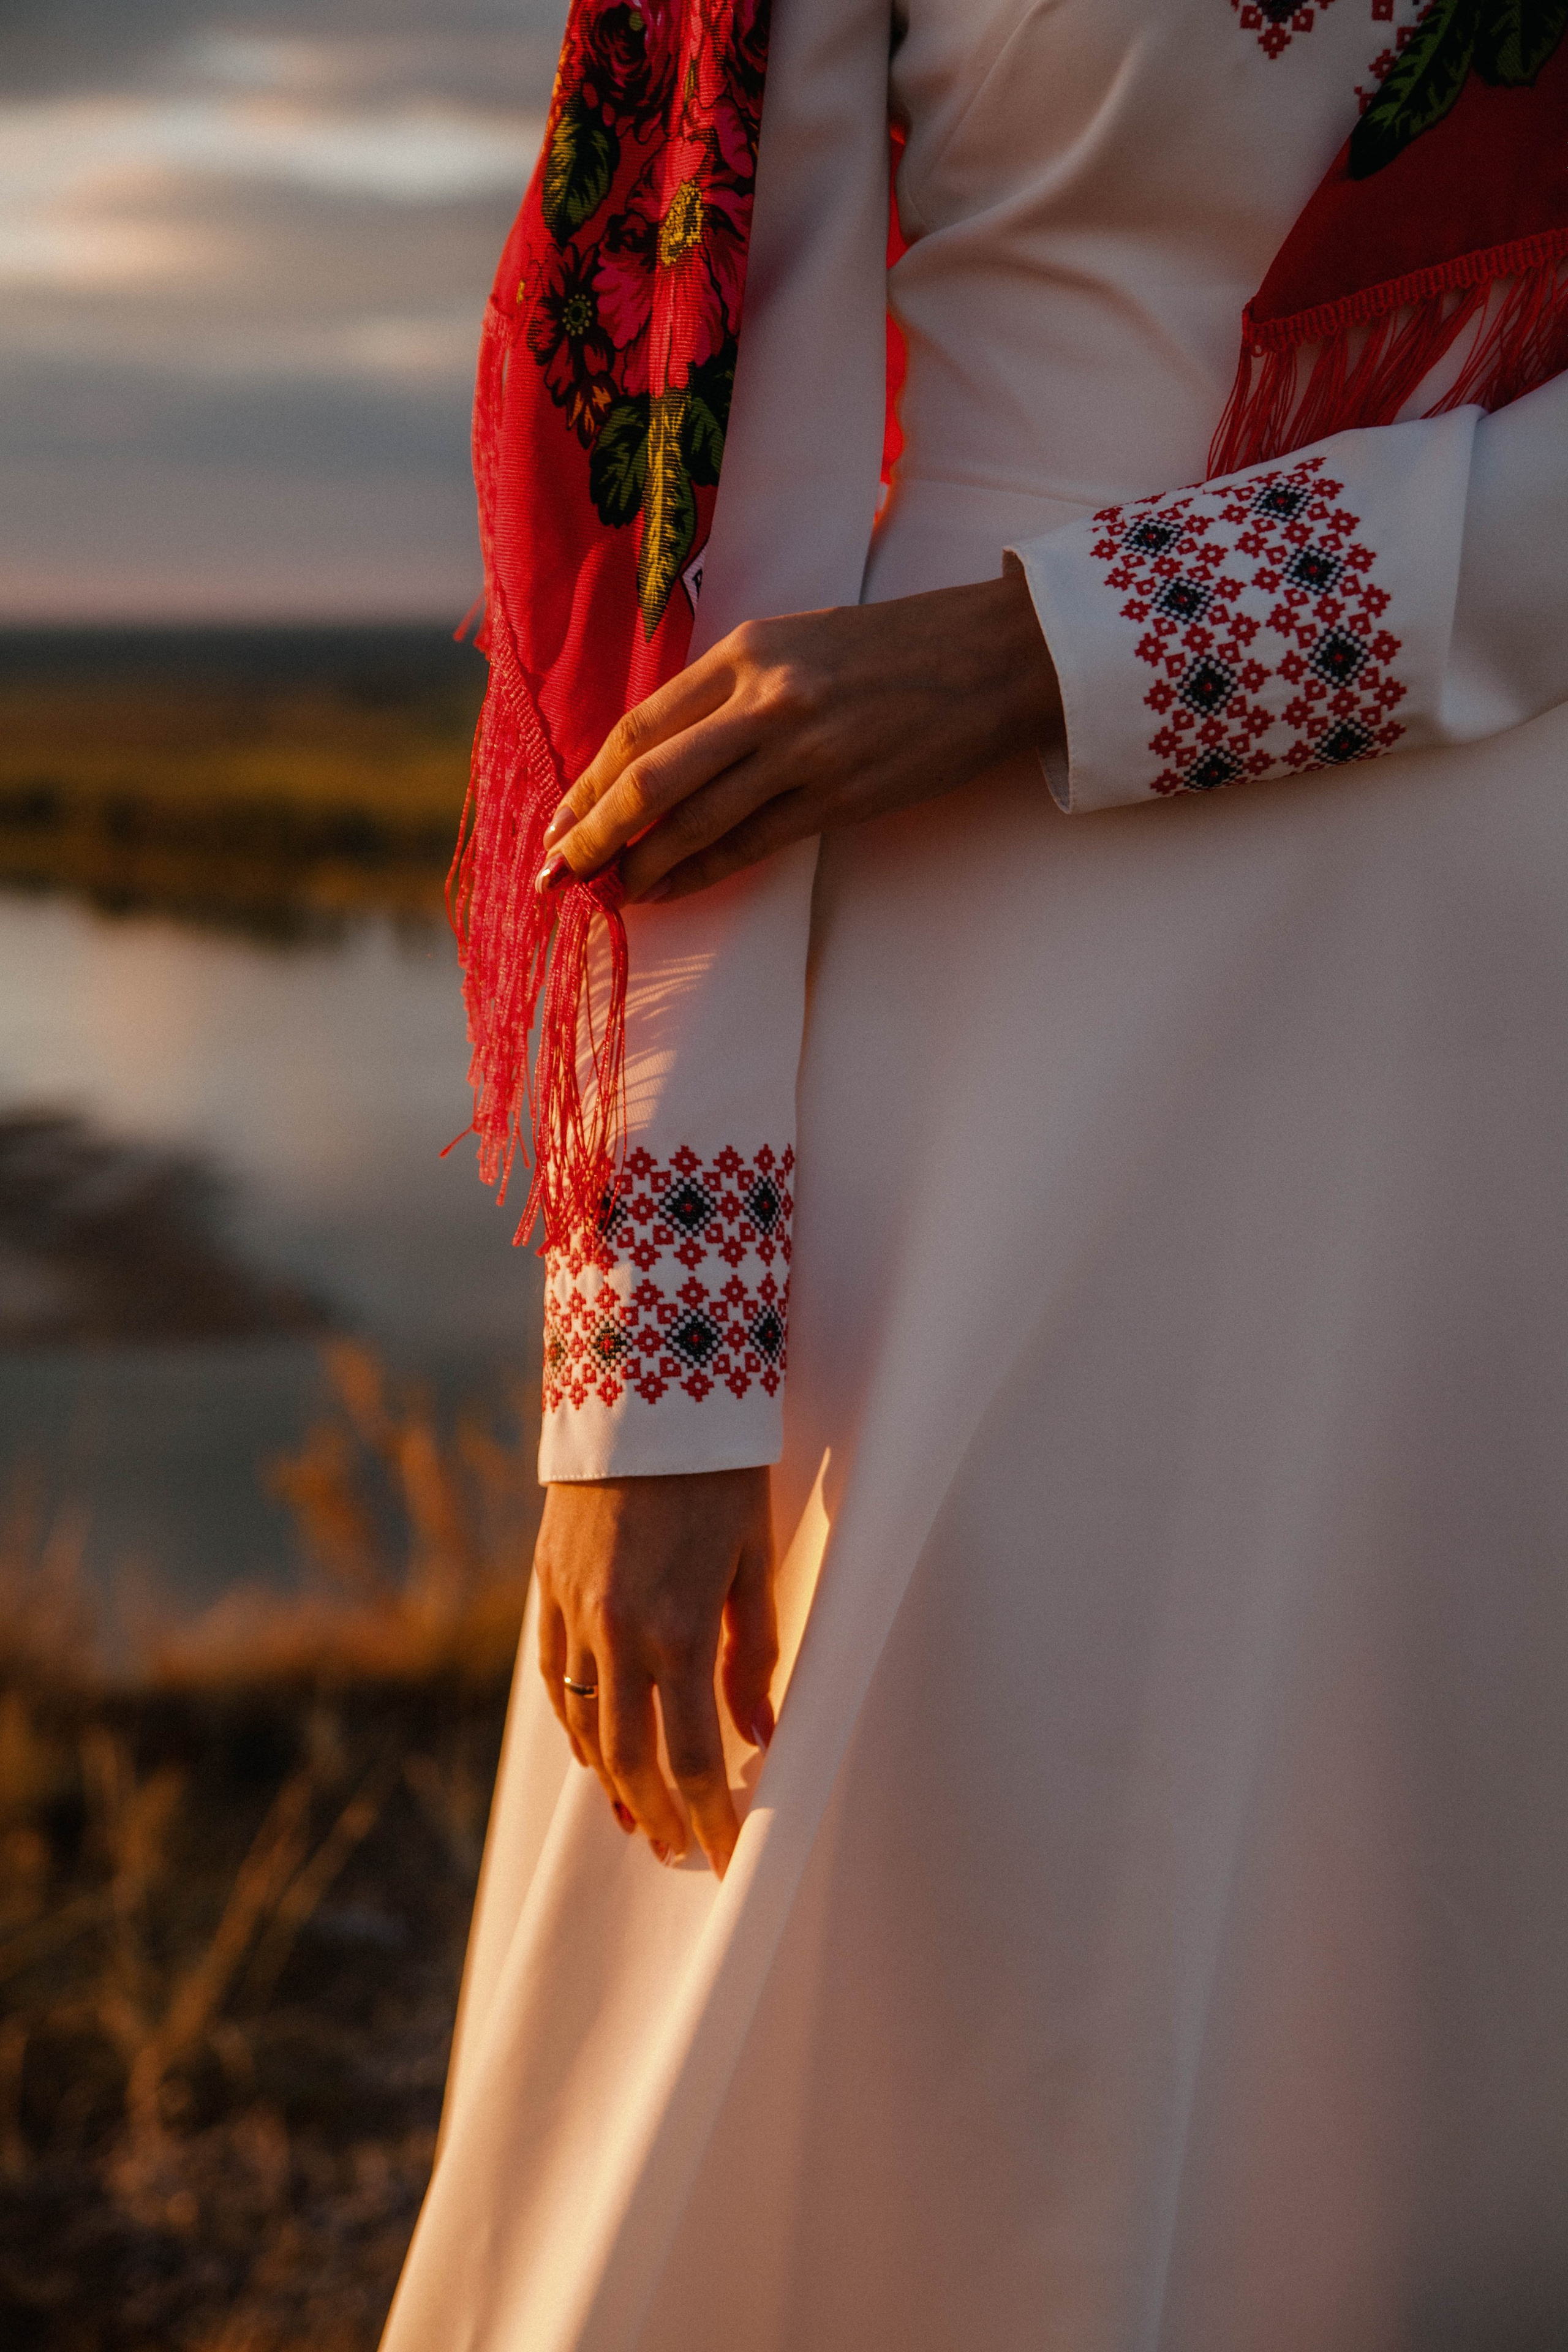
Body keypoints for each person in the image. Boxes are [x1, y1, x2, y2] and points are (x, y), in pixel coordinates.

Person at [384, 1, 1568, 2345]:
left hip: (1491, 1034)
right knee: (890, 2001)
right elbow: (699, 561)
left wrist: (1060, 649)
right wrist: (662, 1384)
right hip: (974, 1018)